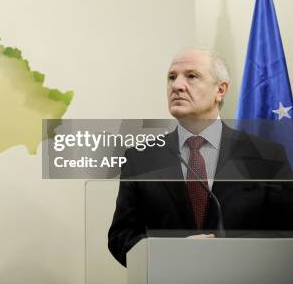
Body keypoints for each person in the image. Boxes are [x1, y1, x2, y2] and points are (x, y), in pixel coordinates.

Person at [108, 48, 293, 266]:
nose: (177, 85)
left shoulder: (266, 155)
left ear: (220, 90)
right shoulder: (141, 159)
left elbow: (286, 232)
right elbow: (121, 237)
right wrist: (174, 253)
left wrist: (228, 254)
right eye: (171, 77)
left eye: (192, 76)